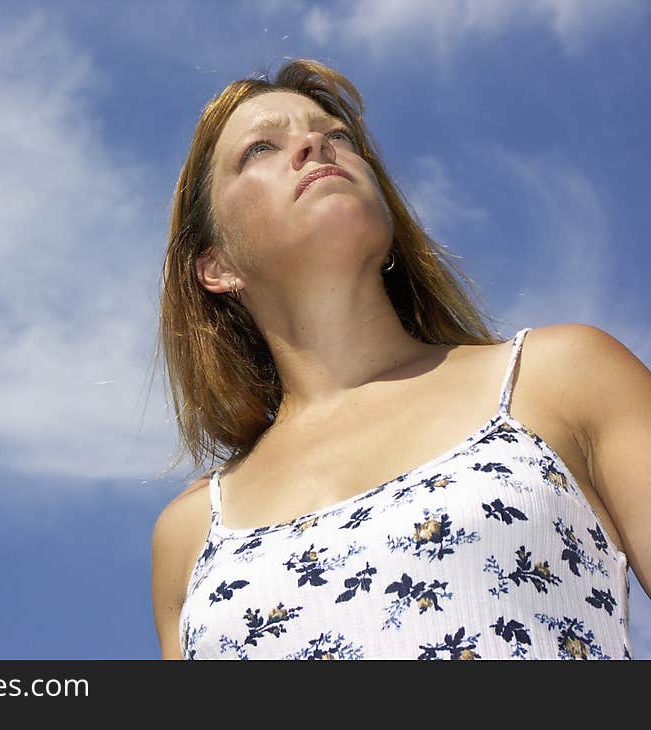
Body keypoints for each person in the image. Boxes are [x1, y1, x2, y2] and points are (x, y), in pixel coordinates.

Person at [150, 57, 650, 660]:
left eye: (337, 136)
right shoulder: (191, 534)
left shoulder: (559, 378)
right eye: (260, 148)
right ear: (217, 265)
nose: (315, 143)